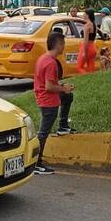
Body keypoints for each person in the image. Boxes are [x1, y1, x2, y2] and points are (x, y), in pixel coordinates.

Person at [33, 32, 73, 175]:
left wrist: (62, 87)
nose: (64, 46)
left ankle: (63, 125)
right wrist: (63, 88)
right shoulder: (51, 63)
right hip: (48, 101)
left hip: (43, 98)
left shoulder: (43, 58)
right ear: (58, 44)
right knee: (43, 133)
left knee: (68, 97)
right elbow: (49, 87)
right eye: (63, 43)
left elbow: (46, 82)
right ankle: (36, 163)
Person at [77, 9, 98, 74]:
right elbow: (94, 38)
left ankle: (86, 77)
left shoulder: (87, 25)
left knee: (79, 67)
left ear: (87, 15)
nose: (83, 15)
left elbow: (85, 40)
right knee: (91, 69)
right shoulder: (94, 25)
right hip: (93, 47)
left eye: (84, 14)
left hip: (87, 48)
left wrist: (84, 52)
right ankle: (92, 81)